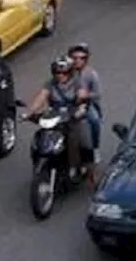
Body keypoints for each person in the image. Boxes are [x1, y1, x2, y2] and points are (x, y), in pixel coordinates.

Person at [24, 57, 94, 185]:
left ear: (70, 73)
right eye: (57, 73)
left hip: (74, 119)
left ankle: (87, 174)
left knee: (84, 143)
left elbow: (82, 96)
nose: (60, 75)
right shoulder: (50, 84)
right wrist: (29, 112)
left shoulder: (77, 83)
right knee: (41, 137)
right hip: (55, 119)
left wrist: (81, 107)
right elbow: (41, 97)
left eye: (64, 73)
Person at [68, 43, 102, 180]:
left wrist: (85, 95)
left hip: (85, 105)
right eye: (74, 58)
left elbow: (97, 94)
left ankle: (95, 148)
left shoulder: (91, 74)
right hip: (68, 104)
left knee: (94, 121)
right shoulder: (65, 72)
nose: (77, 61)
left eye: (81, 58)